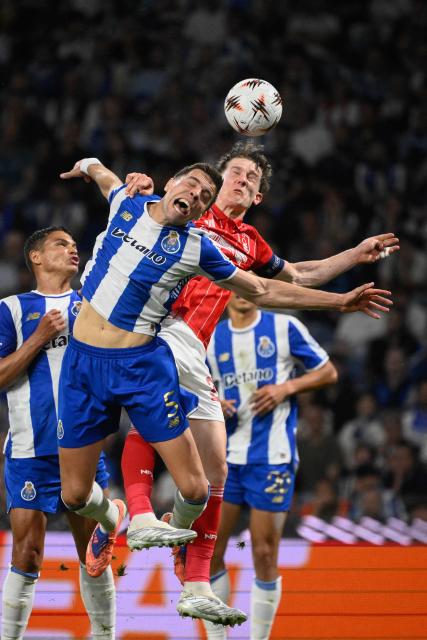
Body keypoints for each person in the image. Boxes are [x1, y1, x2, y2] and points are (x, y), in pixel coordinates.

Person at [58, 156, 391, 626]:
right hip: (158, 329)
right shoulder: (188, 215)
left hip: (196, 346)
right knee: (154, 408)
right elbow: (136, 191)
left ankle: (189, 570)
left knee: (216, 469)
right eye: (235, 172)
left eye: (251, 179)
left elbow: (289, 279)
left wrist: (353, 258)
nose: (241, 180)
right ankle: (140, 515)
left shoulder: (248, 243)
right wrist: (120, 175)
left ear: (257, 198)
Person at [0, 227, 116, 640]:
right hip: (29, 447)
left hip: (81, 447)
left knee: (92, 555)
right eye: (60, 244)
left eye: (73, 245)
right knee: (27, 553)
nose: (72, 249)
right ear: (35, 256)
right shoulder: (11, 308)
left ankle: (105, 635)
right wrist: (38, 339)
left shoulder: (93, 306)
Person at [202, 293, 337, 639]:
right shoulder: (212, 337)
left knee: (263, 551)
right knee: (210, 553)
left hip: (272, 457)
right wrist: (216, 401)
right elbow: (193, 388)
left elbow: (328, 371)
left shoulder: (284, 327)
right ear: (226, 288)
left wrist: (286, 387)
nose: (245, 292)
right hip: (226, 459)